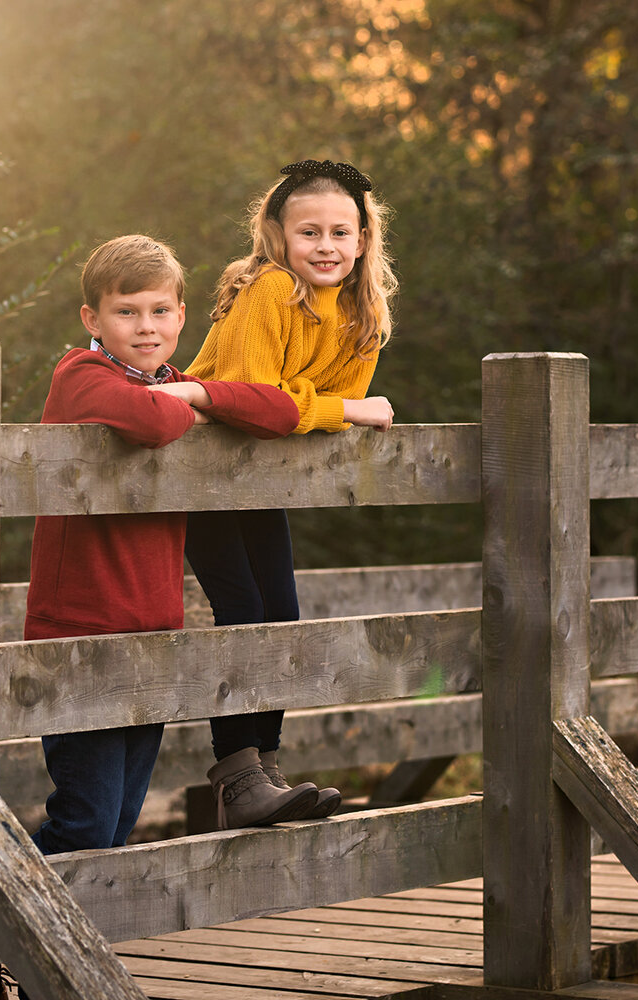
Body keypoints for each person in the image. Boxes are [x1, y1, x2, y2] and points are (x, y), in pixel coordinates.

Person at [23, 234, 319, 857]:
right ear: (93, 320)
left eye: (160, 311)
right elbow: (152, 421)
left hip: (155, 632)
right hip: (81, 634)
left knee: (119, 826)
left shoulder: (172, 382)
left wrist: (195, 393)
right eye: (126, 312)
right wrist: (194, 411)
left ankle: (63, 949)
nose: (146, 326)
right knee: (85, 824)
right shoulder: (80, 374)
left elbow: (279, 412)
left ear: (183, 315)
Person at [149, 159, 398, 829]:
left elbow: (320, 407)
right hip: (200, 462)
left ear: (364, 239)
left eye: (341, 232)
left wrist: (338, 408)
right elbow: (259, 402)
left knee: (280, 614)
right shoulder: (271, 289)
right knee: (244, 607)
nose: (325, 246)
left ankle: (263, 766)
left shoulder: (361, 311)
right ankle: (237, 778)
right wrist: (346, 410)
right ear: (278, 235)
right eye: (309, 231)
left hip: (259, 474)